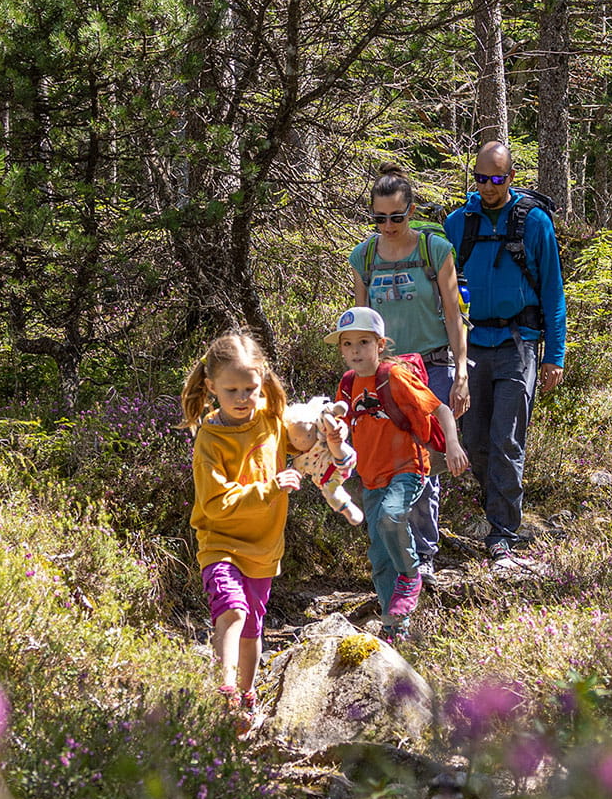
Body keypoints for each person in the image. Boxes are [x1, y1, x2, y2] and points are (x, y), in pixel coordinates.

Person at [182, 330, 313, 723]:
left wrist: (329, 434)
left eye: (250, 388)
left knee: (253, 627)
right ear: (211, 388)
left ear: (262, 381)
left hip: (265, 548)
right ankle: (225, 690)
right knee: (232, 611)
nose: (243, 398)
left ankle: (246, 695)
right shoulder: (210, 439)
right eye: (232, 390)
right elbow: (215, 503)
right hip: (219, 541)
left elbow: (304, 442)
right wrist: (270, 488)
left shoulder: (272, 419)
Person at [444, 141, 567, 562]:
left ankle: (502, 531)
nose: (488, 186)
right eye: (481, 178)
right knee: (475, 440)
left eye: (496, 178)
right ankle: (490, 507)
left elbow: (552, 292)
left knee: (506, 440)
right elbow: (443, 290)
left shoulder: (534, 223)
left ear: (511, 178)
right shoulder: (459, 223)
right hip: (472, 344)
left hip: (519, 344)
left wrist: (555, 355)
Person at [345, 166, 469, 580]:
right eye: (379, 218)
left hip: (431, 365)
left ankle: (423, 555)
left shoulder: (435, 250)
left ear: (411, 212)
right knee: (394, 462)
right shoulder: (364, 257)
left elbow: (454, 316)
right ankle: (405, 556)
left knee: (424, 462)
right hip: (387, 374)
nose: (388, 226)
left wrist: (461, 370)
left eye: (396, 217)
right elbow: (361, 325)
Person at [330, 304, 469, 642]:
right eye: (347, 344)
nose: (355, 351)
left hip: (409, 468)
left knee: (392, 518)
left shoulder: (394, 376)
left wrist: (452, 445)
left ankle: (411, 574)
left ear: (380, 344)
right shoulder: (348, 385)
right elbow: (342, 435)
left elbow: (441, 408)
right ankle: (395, 625)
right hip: (371, 477)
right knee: (379, 555)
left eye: (363, 342)